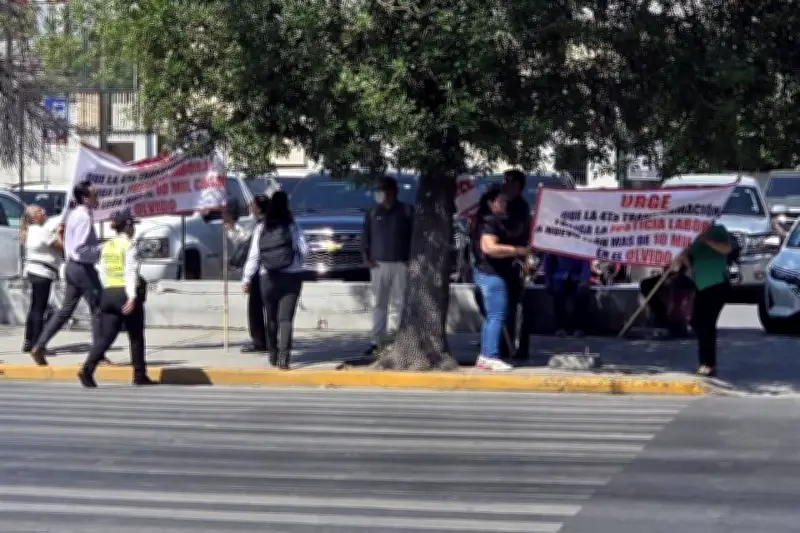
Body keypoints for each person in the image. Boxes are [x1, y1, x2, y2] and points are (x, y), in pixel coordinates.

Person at [78, 209, 154, 388]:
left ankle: (87, 369)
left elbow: (102, 271)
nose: (133, 228)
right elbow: (130, 272)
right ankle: (139, 375)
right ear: (127, 226)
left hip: (108, 293)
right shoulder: (129, 245)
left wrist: (107, 291)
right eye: (132, 225)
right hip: (125, 294)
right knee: (136, 336)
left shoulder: (108, 245)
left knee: (106, 337)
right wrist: (132, 297)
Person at [30, 181, 103, 366]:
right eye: (94, 195)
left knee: (65, 311)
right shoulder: (84, 217)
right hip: (82, 268)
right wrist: (99, 249)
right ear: (85, 198)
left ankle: (39, 345)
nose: (97, 198)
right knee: (99, 309)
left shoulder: (74, 214)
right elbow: (80, 248)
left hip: (72, 267)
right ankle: (98, 355)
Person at [242, 191, 308, 369]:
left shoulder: (262, 227)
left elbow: (254, 256)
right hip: (291, 278)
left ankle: (273, 354)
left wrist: (246, 279)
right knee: (285, 320)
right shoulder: (293, 226)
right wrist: (298, 264)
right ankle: (284, 359)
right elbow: (305, 249)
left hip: (267, 278)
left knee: (271, 319)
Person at [472, 187, 531, 371]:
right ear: (491, 203)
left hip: (489, 274)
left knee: (494, 316)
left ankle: (486, 355)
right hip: (491, 275)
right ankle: (489, 355)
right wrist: (518, 251)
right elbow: (489, 247)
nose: (506, 205)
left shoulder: (486, 221)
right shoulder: (489, 222)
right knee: (496, 316)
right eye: (502, 201)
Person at [361, 176, 413, 355]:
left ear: (393, 191)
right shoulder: (372, 213)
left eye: (383, 190)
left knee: (399, 303)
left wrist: (410, 259)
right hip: (378, 265)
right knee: (379, 303)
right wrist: (365, 257)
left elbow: (413, 236)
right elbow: (365, 236)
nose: (380, 193)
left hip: (400, 264)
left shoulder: (406, 211)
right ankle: (377, 341)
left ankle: (397, 339)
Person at [680, 223, 732, 377]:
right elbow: (690, 263)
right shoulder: (691, 234)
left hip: (717, 284)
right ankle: (707, 362)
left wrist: (706, 240)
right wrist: (682, 253)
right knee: (696, 321)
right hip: (701, 286)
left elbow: (726, 249)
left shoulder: (718, 230)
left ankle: (707, 364)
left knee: (707, 324)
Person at [225, 194, 269, 353]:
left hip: (259, 271)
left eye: (252, 205)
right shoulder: (278, 222)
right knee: (271, 309)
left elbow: (248, 248)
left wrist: (246, 278)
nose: (249, 208)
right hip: (276, 270)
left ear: (258, 208)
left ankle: (260, 342)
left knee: (255, 308)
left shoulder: (258, 225)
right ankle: (272, 341)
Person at [21, 205, 63, 353]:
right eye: (39, 211)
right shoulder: (41, 231)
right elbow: (60, 246)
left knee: (34, 307)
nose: (44, 211)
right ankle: (37, 344)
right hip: (43, 272)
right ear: (33, 217)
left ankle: (28, 340)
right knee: (40, 308)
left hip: (33, 270)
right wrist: (58, 232)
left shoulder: (30, 231)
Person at [500, 169, 532, 362]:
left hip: (515, 262)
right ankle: (505, 343)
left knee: (515, 306)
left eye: (509, 181)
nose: (505, 184)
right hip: (502, 261)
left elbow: (518, 231)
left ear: (517, 185)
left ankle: (517, 347)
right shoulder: (505, 204)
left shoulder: (520, 206)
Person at [543, 253, 592, 336]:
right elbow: (548, 262)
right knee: (558, 294)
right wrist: (548, 280)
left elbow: (585, 261)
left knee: (581, 294)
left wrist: (585, 278)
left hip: (577, 275)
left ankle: (579, 328)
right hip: (559, 275)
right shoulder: (554, 242)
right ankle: (560, 328)